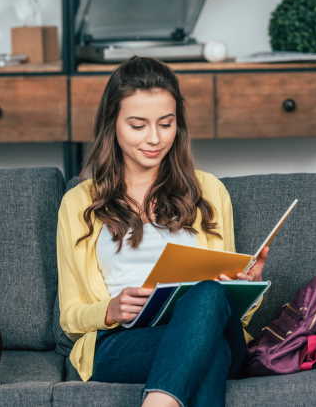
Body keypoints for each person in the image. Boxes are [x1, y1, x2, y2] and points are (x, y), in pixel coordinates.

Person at [56, 56, 269, 407]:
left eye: (166, 124)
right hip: (123, 342)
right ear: (113, 124)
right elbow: (70, 317)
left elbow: (234, 313)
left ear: (178, 124)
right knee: (208, 351)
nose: (154, 139)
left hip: (208, 320)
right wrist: (110, 309)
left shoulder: (209, 191)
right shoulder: (79, 202)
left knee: (209, 295)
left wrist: (245, 285)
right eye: (138, 125)